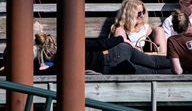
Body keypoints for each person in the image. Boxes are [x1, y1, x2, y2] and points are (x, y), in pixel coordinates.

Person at [33, 32, 172, 75]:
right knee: (153, 61)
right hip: (118, 50)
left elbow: (44, 72)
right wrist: (121, 39)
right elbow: (99, 44)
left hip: (109, 64)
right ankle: (180, 63)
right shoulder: (72, 44)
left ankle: (176, 69)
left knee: (151, 72)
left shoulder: (59, 65)